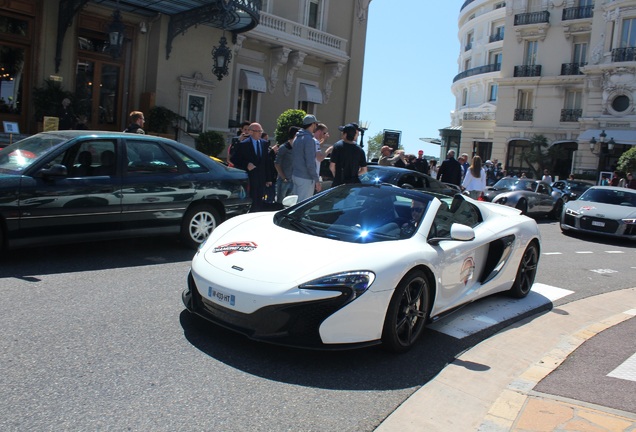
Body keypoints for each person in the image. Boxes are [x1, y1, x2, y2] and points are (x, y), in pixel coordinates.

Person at [230, 122, 274, 212]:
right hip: (250, 178)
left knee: (260, 201)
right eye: (257, 131)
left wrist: (269, 179)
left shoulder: (264, 143)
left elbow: (267, 162)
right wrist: (246, 164)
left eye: (260, 131)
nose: (260, 133)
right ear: (251, 132)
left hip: (261, 178)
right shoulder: (244, 144)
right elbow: (234, 159)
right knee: (252, 201)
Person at [292, 114, 322, 202]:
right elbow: (310, 163)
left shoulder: (297, 138)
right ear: (312, 124)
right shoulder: (309, 140)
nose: (316, 126)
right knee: (303, 207)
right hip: (305, 178)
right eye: (316, 124)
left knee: (295, 205)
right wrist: (316, 180)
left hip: (295, 175)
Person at [274, 126, 298, 203]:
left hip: (293, 180)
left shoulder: (296, 148)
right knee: (281, 202)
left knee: (290, 203)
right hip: (284, 180)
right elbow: (277, 164)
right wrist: (284, 178)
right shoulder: (283, 148)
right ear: (295, 135)